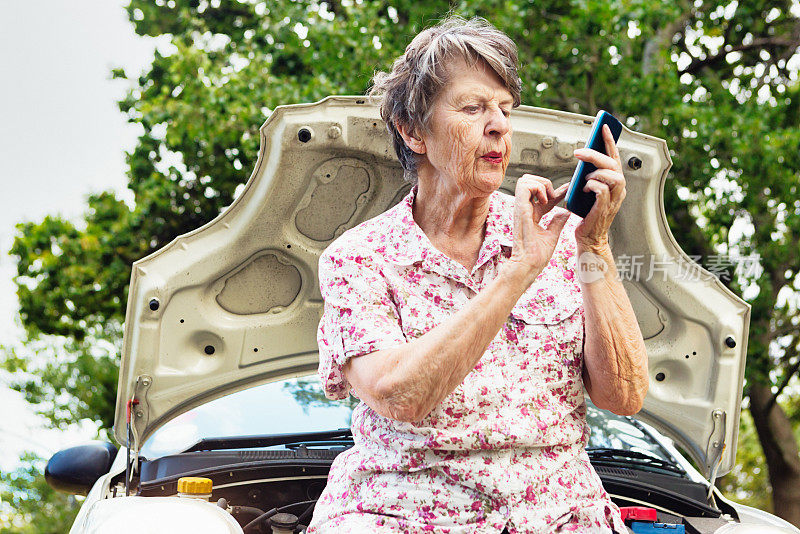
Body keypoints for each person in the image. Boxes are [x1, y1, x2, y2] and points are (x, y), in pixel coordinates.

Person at [306, 15, 648, 534]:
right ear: (413, 130)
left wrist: (593, 244)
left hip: (559, 515)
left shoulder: (558, 238)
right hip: (402, 514)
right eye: (473, 108)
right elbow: (400, 396)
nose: (499, 126)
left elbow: (624, 396)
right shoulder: (358, 259)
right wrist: (520, 270)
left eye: (505, 111)